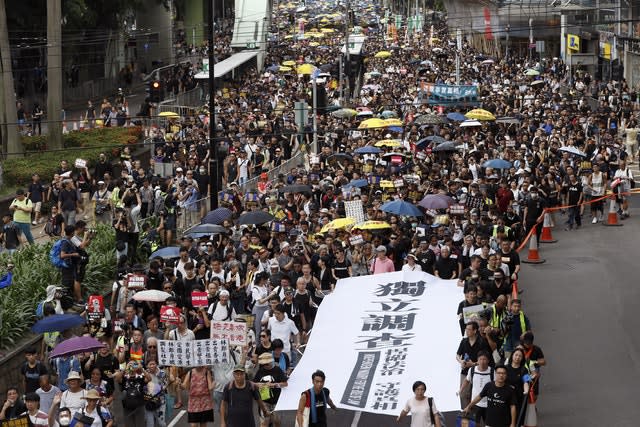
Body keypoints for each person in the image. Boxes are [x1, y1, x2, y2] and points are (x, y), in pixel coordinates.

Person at [458, 351, 494, 426]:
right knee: (475, 424)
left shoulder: (492, 371)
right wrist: (461, 390)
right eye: (480, 359)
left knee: (488, 424)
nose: (482, 361)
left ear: (488, 360)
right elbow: (467, 380)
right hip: (475, 403)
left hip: (489, 404)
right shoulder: (472, 370)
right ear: (477, 360)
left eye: (484, 359)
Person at [253, 352, 288, 427]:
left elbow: (285, 384)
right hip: (264, 401)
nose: (265, 366)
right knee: (264, 423)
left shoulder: (277, 370)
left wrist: (274, 385)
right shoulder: (260, 371)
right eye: (264, 364)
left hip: (276, 401)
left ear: (271, 362)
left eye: (267, 364)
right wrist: (260, 385)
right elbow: (254, 384)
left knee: (277, 421)